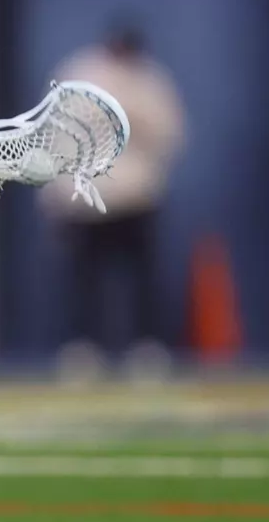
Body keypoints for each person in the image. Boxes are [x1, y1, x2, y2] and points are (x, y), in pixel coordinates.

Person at [43, 24, 185, 371]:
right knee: (83, 280)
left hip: (135, 200)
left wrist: (135, 118)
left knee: (142, 279)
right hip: (87, 201)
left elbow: (170, 134)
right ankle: (82, 350)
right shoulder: (80, 73)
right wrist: (57, 192)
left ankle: (146, 349)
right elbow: (54, 133)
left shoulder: (150, 81)